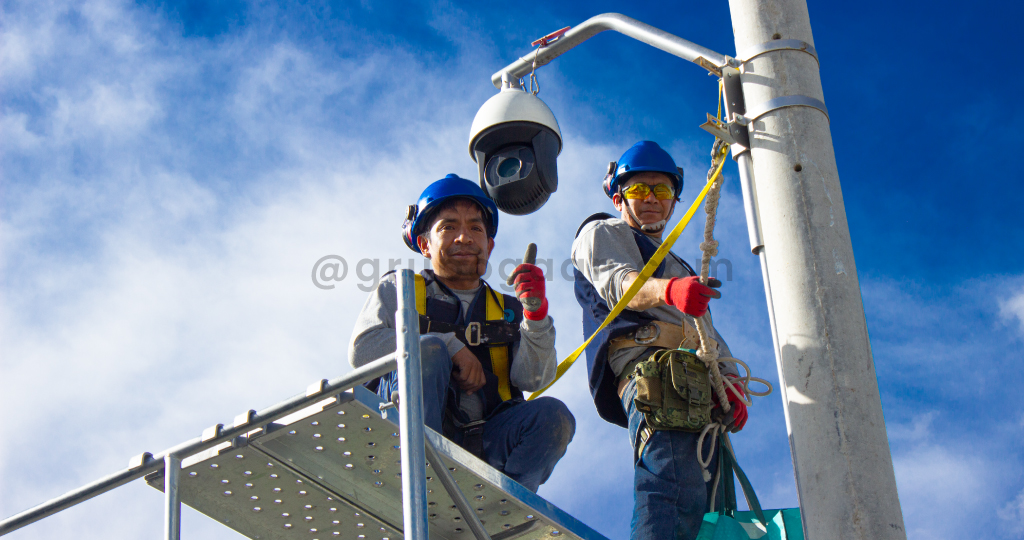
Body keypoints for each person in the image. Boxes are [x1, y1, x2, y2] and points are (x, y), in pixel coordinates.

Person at [349, 173, 575, 493]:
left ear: (489, 245)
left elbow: (533, 379)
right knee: (427, 350)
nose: (464, 237)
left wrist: (535, 315)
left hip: (483, 447)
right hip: (402, 437)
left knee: (554, 418)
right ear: (425, 244)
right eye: (448, 227)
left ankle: (501, 507)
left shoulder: (508, 309)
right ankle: (421, 476)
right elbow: (363, 349)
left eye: (475, 228)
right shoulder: (400, 290)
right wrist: (448, 344)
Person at [571, 141, 748, 539]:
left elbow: (706, 334)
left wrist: (731, 381)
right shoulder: (603, 232)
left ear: (673, 202)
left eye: (662, 191)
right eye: (638, 190)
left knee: (708, 511)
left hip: (696, 384)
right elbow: (620, 285)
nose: (650, 198)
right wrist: (670, 291)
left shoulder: (678, 265)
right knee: (670, 491)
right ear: (619, 197)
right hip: (657, 378)